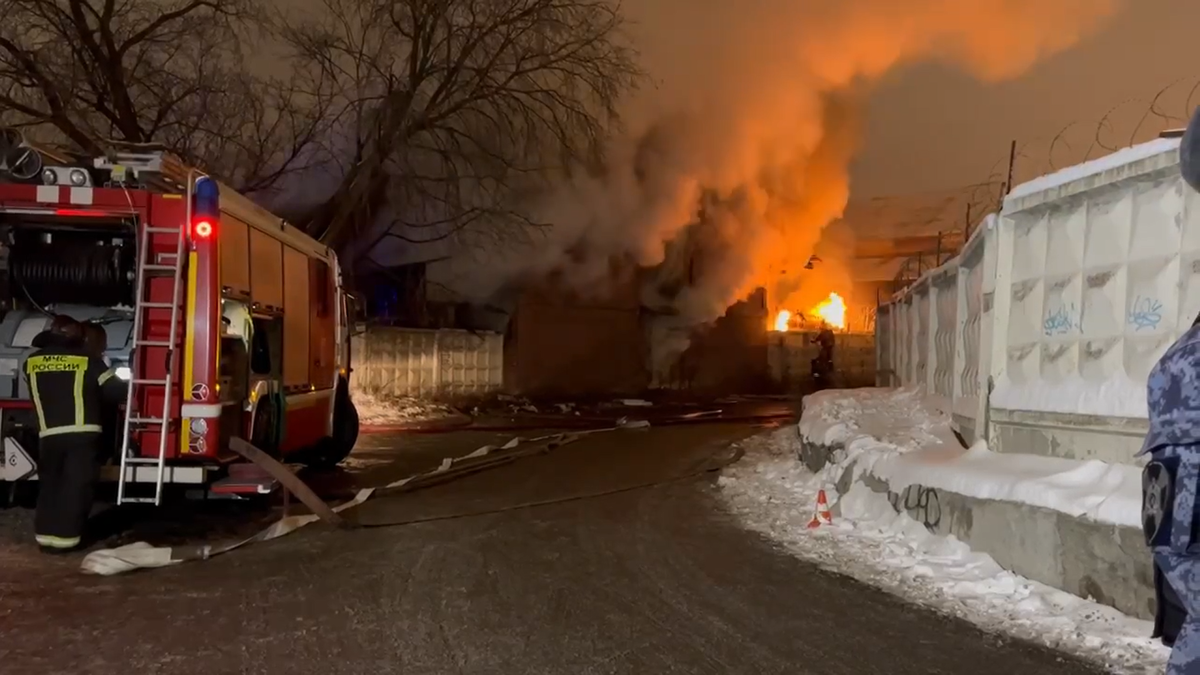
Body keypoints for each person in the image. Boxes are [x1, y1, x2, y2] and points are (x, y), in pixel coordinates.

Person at [21, 315, 125, 553]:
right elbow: (116, 391)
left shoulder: (32, 361)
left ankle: (45, 539)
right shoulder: (88, 361)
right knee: (76, 487)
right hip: (82, 435)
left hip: (48, 435)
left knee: (51, 486)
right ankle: (66, 541)